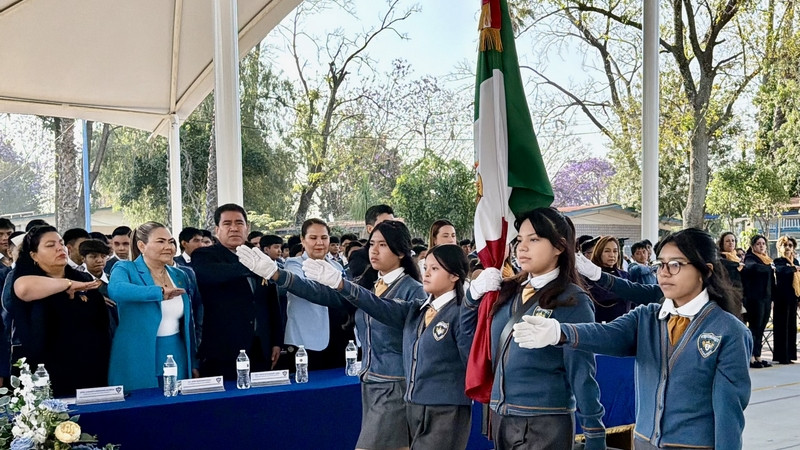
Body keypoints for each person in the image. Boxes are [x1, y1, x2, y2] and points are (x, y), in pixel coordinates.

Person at [513, 228, 752, 450]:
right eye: (661, 264)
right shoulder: (647, 317)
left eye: (676, 265)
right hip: (644, 443)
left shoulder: (728, 331)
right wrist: (560, 332)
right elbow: (607, 334)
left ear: (705, 271)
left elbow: (728, 415)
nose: (664, 273)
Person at [241, 220, 425, 449]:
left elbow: (385, 309)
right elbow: (320, 293)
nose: (374, 251)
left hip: (396, 385)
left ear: (401, 251)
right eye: (372, 244)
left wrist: (343, 285)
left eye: (383, 245)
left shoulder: (413, 290)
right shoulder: (370, 284)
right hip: (370, 382)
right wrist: (277, 274)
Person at [304, 244, 475, 449]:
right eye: (425, 267)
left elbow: (472, 361)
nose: (427, 273)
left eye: (435, 268)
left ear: (455, 275)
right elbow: (378, 304)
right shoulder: (417, 310)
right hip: (414, 405)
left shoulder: (462, 314)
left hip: (447, 408)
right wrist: (341, 284)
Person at [463, 207, 606, 450]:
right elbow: (470, 339)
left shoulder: (573, 300)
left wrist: (594, 434)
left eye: (534, 239)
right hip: (502, 416)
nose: (522, 248)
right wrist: (472, 297)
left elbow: (582, 373)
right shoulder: (507, 292)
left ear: (559, 247)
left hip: (544, 421)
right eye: (519, 240)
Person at [11, 225, 111, 397]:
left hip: (90, 370)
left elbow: (101, 325)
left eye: (61, 243)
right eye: (50, 245)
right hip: (45, 374)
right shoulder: (27, 281)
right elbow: (23, 288)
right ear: (34, 255)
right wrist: (68, 284)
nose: (60, 248)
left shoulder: (83, 279)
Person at [191, 204, 283, 378]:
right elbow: (212, 275)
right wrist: (252, 266)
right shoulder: (204, 255)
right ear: (217, 229)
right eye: (227, 223)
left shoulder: (260, 257)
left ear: (247, 227)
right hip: (223, 350)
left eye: (239, 223)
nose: (234, 228)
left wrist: (277, 342)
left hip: (260, 347)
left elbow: (272, 304)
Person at [107, 222, 199, 391]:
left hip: (176, 352)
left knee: (176, 404)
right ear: (142, 246)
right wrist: (158, 292)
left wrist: (193, 360)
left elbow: (189, 323)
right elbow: (116, 289)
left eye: (171, 242)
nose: (168, 247)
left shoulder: (179, 275)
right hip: (136, 355)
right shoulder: (125, 268)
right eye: (161, 241)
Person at [272, 218, 352, 371]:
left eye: (324, 237)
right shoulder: (293, 264)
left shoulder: (336, 265)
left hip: (339, 335)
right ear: (303, 240)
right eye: (313, 238)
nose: (319, 243)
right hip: (306, 340)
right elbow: (302, 287)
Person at [741, 234, 775, 368]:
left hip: (766, 298)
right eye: (758, 244)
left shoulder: (767, 260)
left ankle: (758, 356)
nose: (761, 246)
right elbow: (753, 267)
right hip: (754, 299)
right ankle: (750, 357)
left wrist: (772, 298)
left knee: (761, 328)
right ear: (753, 246)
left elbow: (771, 282)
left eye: (763, 244)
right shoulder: (750, 258)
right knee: (754, 328)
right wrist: (769, 268)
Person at [587, 235, 630, 322]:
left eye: (615, 251)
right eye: (607, 251)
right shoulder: (591, 276)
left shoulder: (625, 275)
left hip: (626, 325)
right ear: (599, 253)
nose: (612, 255)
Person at [772, 236, 800, 364]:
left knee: (792, 326)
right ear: (780, 247)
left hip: (793, 297)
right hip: (781, 297)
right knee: (781, 326)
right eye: (785, 245)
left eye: (790, 245)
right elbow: (781, 271)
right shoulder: (778, 261)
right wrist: (793, 269)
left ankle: (790, 355)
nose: (787, 248)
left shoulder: (796, 261)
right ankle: (782, 356)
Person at [349, 205, 395, 279]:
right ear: (370, 229)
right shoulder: (359, 256)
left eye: (392, 224)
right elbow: (360, 285)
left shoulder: (399, 252)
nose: (390, 228)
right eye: (384, 225)